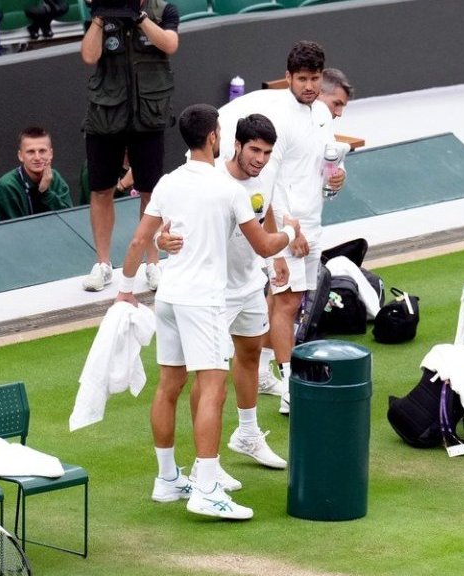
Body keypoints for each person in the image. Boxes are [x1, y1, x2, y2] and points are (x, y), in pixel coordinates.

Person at [116, 104, 298, 520]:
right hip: (204, 303)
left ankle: (167, 480)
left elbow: (138, 242)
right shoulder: (227, 189)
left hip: (170, 298)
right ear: (215, 138)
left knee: (169, 385)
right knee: (213, 388)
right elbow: (265, 246)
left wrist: (125, 292)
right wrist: (291, 232)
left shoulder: (167, 182)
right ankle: (208, 487)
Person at [221, 42, 347, 414]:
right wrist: (289, 229)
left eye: (315, 79)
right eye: (302, 78)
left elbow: (327, 164)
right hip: (292, 227)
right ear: (289, 77)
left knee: (284, 301)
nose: (309, 85)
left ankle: (262, 373)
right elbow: (268, 180)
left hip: (314, 219)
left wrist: (337, 180)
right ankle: (291, 381)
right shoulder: (280, 120)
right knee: (288, 300)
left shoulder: (322, 115)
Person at [159, 114, 289, 474]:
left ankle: (247, 434)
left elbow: (266, 210)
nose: (260, 159)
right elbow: (168, 228)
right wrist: (162, 241)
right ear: (235, 145)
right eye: (254, 150)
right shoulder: (211, 181)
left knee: (248, 353)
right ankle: (205, 465)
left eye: (266, 152)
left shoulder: (265, 175)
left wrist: (276, 256)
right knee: (207, 376)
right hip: (213, 294)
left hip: (249, 283)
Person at [79, 0, 180, 292]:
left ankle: (152, 263)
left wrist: (139, 18)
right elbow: (89, 55)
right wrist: (99, 17)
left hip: (148, 115)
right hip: (106, 114)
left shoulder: (164, 10)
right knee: (101, 189)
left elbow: (170, 44)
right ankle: (102, 263)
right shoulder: (102, 11)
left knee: (151, 191)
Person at [0, 127, 73, 220]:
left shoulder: (55, 177)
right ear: (20, 156)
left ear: (50, 154)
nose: (37, 157)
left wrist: (45, 193)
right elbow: (12, 231)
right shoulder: (7, 187)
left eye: (42, 151)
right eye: (31, 152)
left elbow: (69, 220)